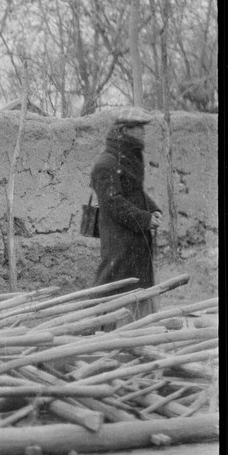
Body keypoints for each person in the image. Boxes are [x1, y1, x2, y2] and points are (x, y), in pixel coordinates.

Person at [90, 109, 163, 319]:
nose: (143, 131)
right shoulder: (106, 164)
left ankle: (137, 330)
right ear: (124, 130)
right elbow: (113, 203)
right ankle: (99, 328)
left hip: (136, 238)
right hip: (119, 240)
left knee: (138, 285)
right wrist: (144, 219)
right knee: (114, 285)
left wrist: (152, 209)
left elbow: (135, 191)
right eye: (138, 127)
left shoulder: (129, 158)